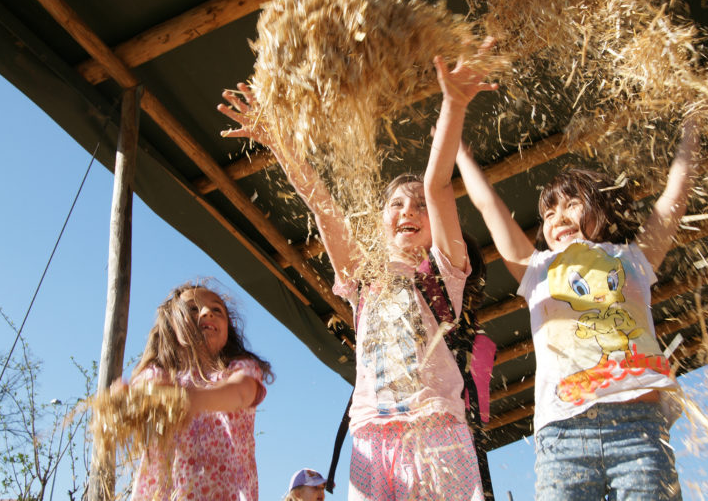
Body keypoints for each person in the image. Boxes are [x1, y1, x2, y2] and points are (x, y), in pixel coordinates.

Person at [218, 39, 497, 501]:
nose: (409, 209)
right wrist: (278, 141)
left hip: (436, 429)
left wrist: (453, 104)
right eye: (396, 204)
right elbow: (322, 204)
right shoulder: (364, 278)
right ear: (381, 222)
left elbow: (438, 181)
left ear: (434, 226)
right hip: (369, 434)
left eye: (419, 207)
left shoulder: (446, 270)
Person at [454, 119, 699, 500]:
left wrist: (691, 131)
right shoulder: (536, 270)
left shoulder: (633, 258)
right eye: (549, 213)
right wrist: (460, 153)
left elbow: (674, 197)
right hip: (562, 433)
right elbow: (489, 206)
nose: (558, 217)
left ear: (602, 208)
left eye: (571, 204)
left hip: (638, 427)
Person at [128, 281, 273, 501]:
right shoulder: (159, 373)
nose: (207, 313)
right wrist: (132, 401)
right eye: (193, 309)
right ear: (171, 325)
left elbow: (242, 393)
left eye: (217, 310)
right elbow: (144, 398)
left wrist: (191, 399)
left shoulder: (239, 368)